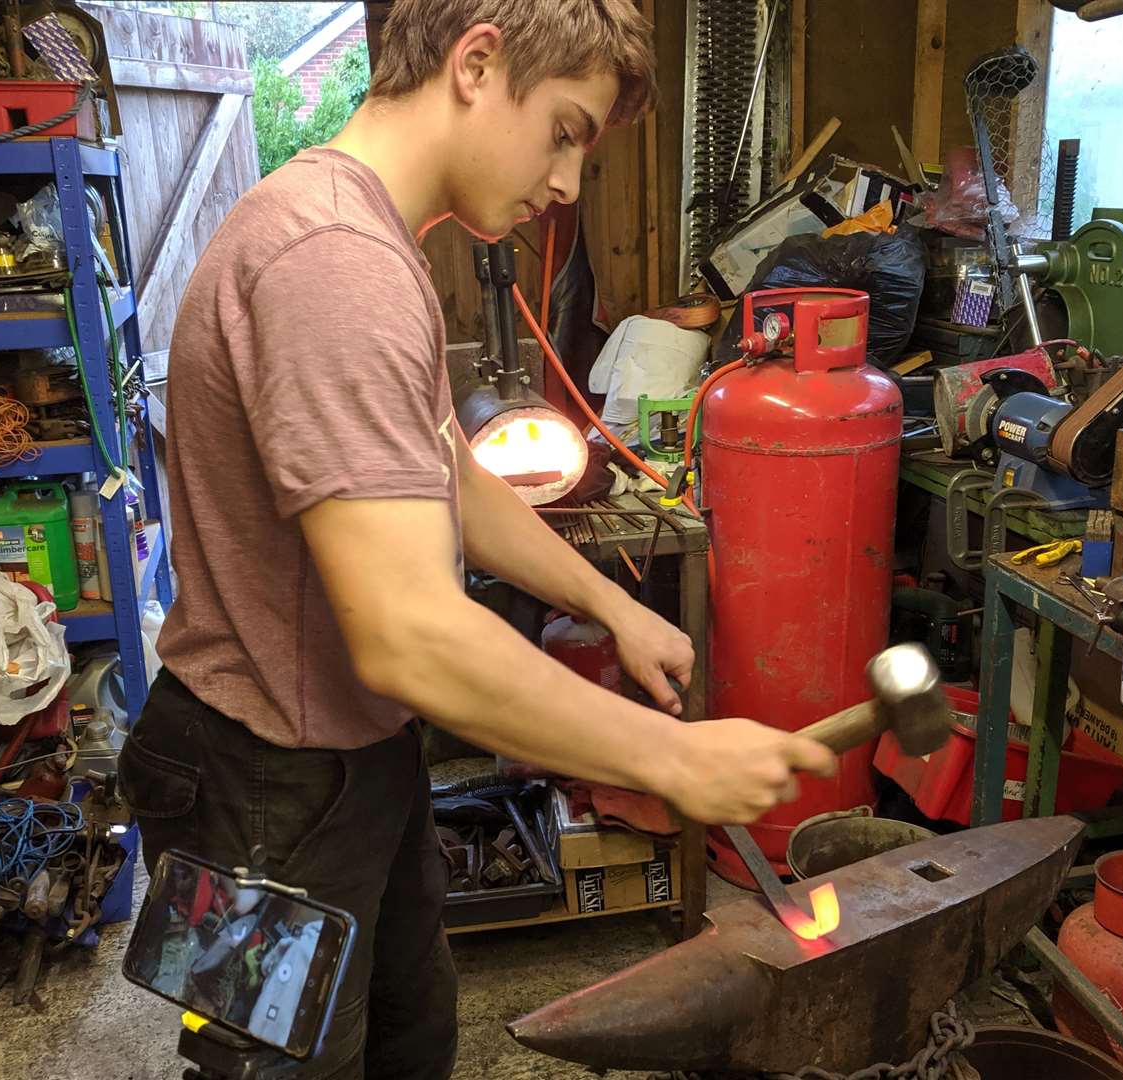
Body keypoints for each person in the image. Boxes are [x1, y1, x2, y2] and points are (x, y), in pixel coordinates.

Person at [118, 2, 839, 1077]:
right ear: (476, 62)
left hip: (351, 761)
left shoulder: (367, 241)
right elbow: (409, 634)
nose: (565, 186)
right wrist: (671, 756)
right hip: (260, 786)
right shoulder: (333, 265)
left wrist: (611, 605)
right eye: (562, 130)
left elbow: (446, 476)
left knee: (410, 1038)